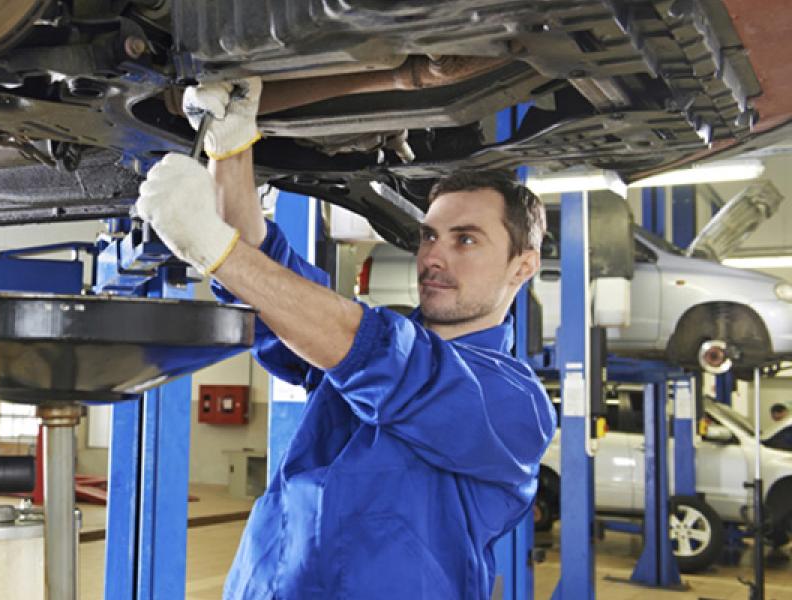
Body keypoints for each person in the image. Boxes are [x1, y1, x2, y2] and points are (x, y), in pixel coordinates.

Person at [134, 77, 557, 598]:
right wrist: (232, 149)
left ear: (523, 266)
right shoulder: (354, 345)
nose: (433, 256)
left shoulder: (515, 404)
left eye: (465, 240)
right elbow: (276, 294)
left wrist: (213, 247)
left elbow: (380, 357)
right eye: (429, 235)